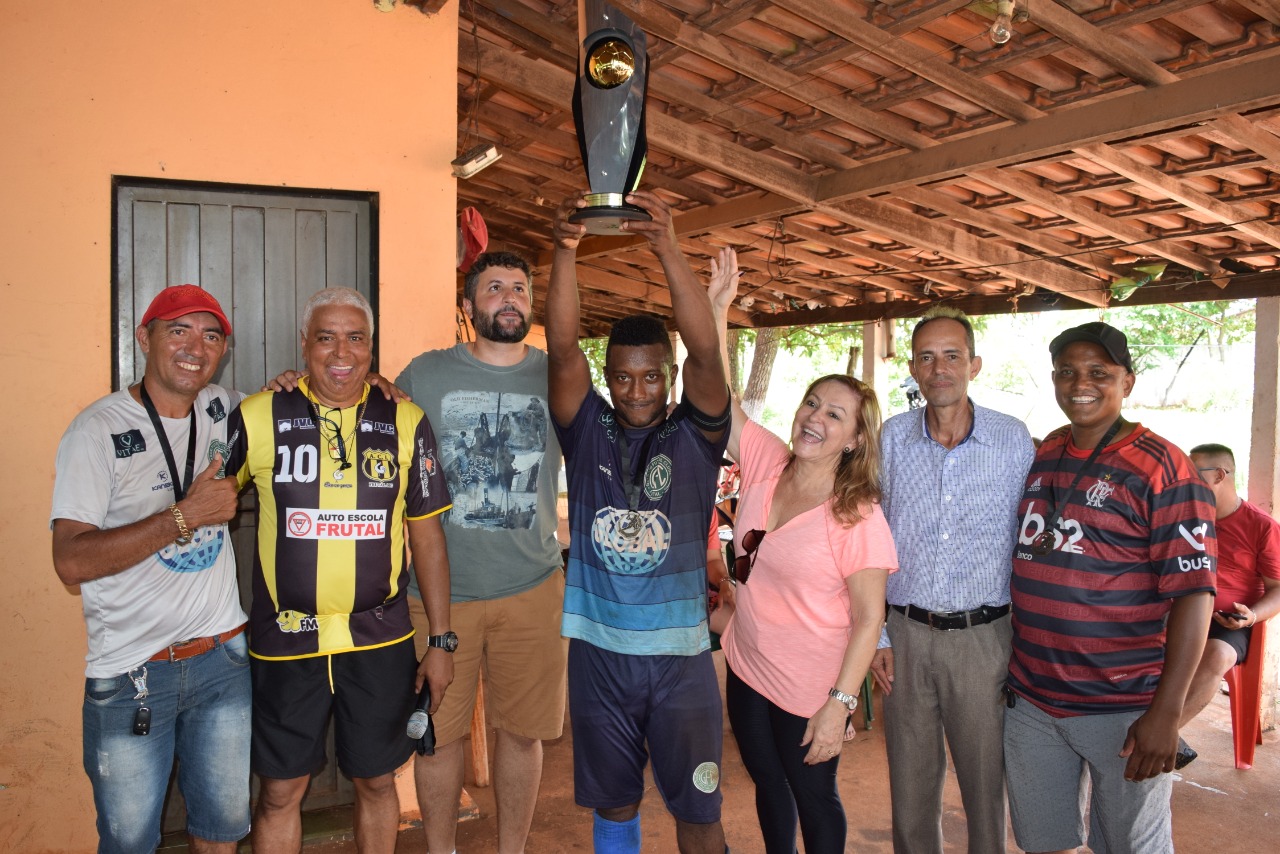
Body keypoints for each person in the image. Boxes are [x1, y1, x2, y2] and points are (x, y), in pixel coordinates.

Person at [226, 287, 454, 854]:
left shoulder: (405, 418)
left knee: (378, 782)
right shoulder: (258, 414)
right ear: (304, 345)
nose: (340, 352)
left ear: (371, 348)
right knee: (280, 792)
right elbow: (203, 502)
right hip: (285, 640)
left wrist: (442, 640)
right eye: (326, 337)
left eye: (355, 338)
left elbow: (426, 536)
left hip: (379, 639)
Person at [547, 190, 731, 854]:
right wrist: (565, 251)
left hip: (681, 661)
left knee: (698, 814)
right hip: (599, 657)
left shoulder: (696, 436)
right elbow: (562, 350)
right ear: (608, 377)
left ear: (669, 378)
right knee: (615, 806)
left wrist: (666, 247)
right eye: (621, 379)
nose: (635, 392)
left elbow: (708, 357)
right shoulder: (588, 431)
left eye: (651, 378)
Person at [708, 248, 897, 854]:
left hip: (812, 683)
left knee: (814, 797)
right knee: (767, 784)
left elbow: (871, 618)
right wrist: (717, 311)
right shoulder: (767, 461)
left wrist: (839, 705)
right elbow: (719, 398)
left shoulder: (856, 514)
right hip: (749, 659)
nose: (815, 418)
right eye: (812, 403)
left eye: (834, 414)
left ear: (854, 437)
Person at [51, 285, 249, 853]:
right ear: (144, 338)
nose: (196, 346)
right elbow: (70, 562)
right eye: (178, 331)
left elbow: (307, 400)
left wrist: (370, 383)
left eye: (211, 335)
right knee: (130, 841)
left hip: (222, 662)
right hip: (133, 672)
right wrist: (183, 517)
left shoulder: (224, 408)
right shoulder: (96, 431)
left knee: (221, 832)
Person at [1005, 321, 1216, 854]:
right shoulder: (1048, 451)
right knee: (1042, 841)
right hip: (1032, 699)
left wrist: (1166, 713)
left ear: (1128, 381)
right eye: (1068, 372)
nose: (1081, 383)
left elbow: (1194, 594)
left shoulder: (1165, 467)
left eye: (1100, 372)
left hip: (1123, 706)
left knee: (1130, 846)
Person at [395, 252, 567, 854]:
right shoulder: (425, 374)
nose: (509, 298)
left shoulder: (559, 374)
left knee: (521, 736)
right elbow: (366, 411)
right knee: (439, 738)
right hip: (440, 597)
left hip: (533, 588)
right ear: (469, 309)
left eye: (519, 288)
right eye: (494, 289)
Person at [869, 306, 1034, 854]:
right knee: (910, 791)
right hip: (906, 638)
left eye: (952, 356)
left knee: (987, 786)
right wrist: (878, 637)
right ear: (913, 369)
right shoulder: (889, 441)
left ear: (974, 365)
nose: (939, 368)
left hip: (985, 641)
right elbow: (865, 543)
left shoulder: (1013, 441)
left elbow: (1034, 540)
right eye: (926, 357)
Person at [1177, 443, 1280, 761]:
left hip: (1228, 623)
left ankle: (1157, 734)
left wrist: (1251, 616)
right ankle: (1161, 736)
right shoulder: (1183, 519)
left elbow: (1277, 588)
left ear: (1219, 475)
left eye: (1192, 475)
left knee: (1217, 654)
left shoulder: (1261, 526)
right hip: (1179, 612)